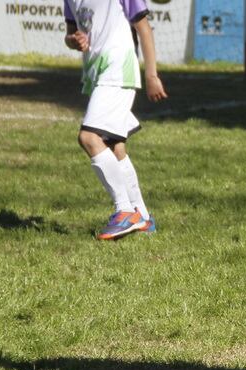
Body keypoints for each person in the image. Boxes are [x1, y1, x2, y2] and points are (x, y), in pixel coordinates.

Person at [64, 0, 167, 240]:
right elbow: (70, 34)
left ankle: (125, 211)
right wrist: (73, 41)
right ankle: (142, 215)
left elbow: (144, 28)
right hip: (95, 72)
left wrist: (152, 75)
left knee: (89, 138)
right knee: (114, 145)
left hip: (118, 68)